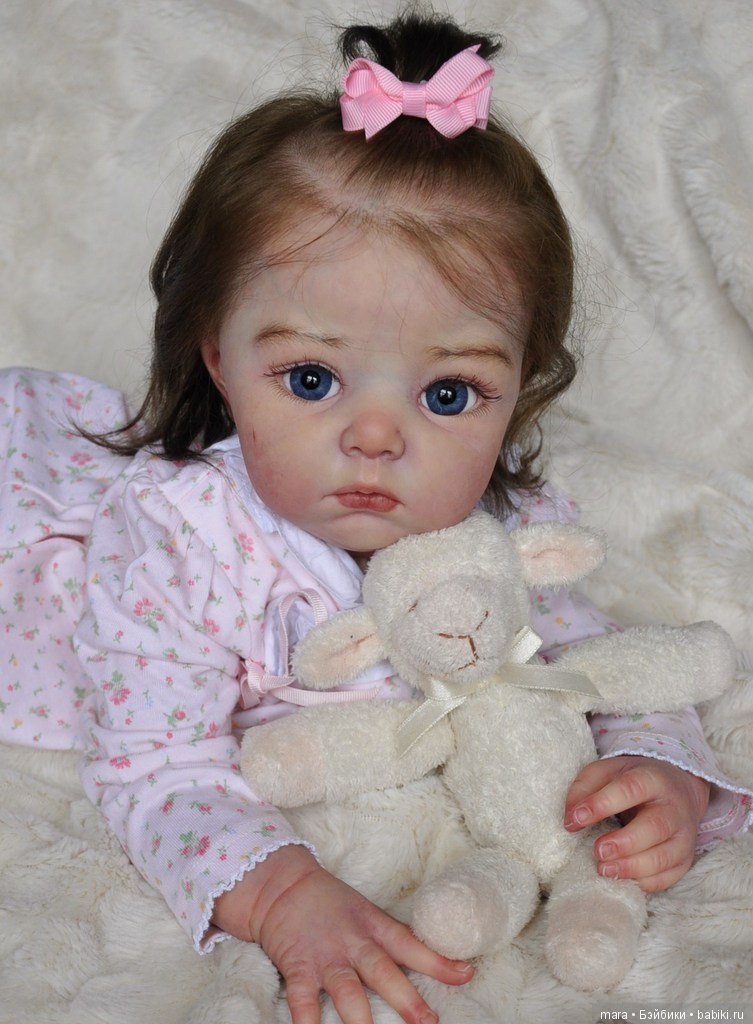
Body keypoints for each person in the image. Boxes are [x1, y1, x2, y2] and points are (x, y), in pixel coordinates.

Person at [1, 9, 750, 1024]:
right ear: (218, 354)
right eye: (311, 378)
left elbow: (588, 662)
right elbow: (154, 761)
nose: (375, 438)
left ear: (520, 384)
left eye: (448, 394)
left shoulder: (503, 523)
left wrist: (664, 773)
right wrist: (281, 894)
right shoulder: (177, 539)